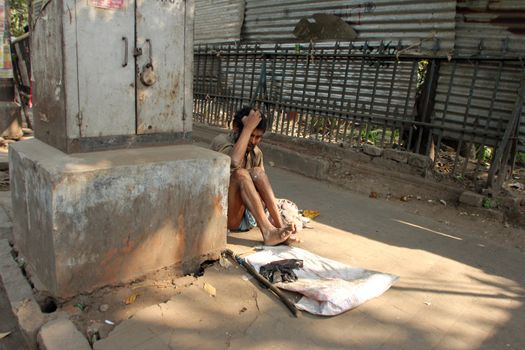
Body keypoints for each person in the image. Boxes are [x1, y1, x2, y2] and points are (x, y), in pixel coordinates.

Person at [211, 106, 297, 245]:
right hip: (226, 216)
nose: (254, 141)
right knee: (240, 174)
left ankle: (278, 227)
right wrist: (247, 128)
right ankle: (268, 232)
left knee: (257, 173)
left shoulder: (256, 153)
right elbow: (234, 161)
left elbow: (260, 190)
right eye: (251, 135)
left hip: (248, 215)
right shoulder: (221, 142)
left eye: (258, 137)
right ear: (235, 128)